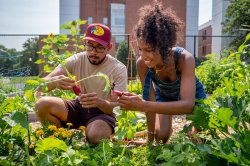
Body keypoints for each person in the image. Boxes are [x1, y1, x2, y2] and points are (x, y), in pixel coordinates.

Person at [117, 1, 206, 144]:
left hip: (194, 97)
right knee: (161, 137)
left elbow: (188, 105)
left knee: (200, 140)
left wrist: (143, 105)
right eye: (141, 49)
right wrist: (150, 140)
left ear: (165, 46)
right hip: (165, 97)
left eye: (150, 50)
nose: (144, 56)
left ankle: (195, 131)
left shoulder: (184, 59)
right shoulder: (142, 64)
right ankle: (150, 134)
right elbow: (150, 99)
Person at [35, 23, 128, 145]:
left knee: (96, 136)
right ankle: (60, 141)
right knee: (42, 105)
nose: (93, 52)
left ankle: (92, 132)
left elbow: (117, 107)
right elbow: (40, 87)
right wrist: (55, 82)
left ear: (109, 47)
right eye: (89, 46)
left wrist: (100, 102)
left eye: (99, 47)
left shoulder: (118, 68)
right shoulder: (76, 60)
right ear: (84, 43)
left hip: (102, 114)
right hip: (78, 106)